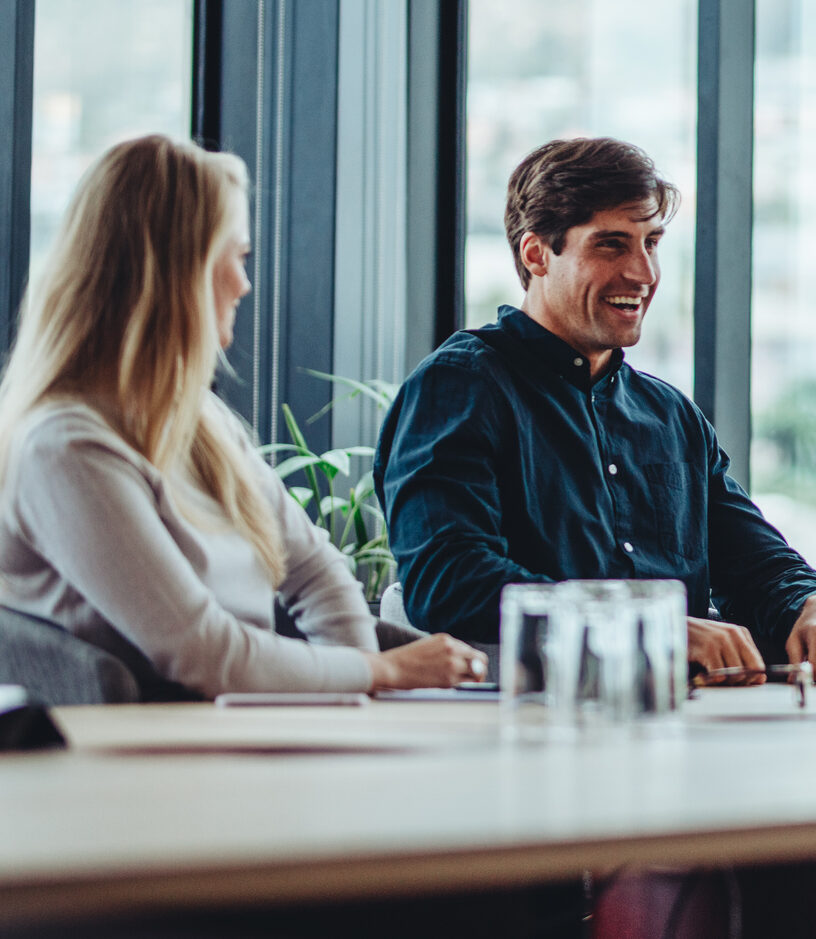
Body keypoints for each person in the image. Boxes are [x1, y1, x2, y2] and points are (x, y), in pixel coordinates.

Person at [0, 136, 483, 698]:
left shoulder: (198, 419)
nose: (244, 283)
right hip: (151, 741)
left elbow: (314, 570)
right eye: (237, 257)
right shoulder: (66, 449)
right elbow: (204, 654)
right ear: (178, 272)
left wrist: (356, 693)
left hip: (237, 723)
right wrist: (381, 672)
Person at [377, 138, 816, 680]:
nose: (643, 273)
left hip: (684, 715)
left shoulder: (670, 415)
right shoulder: (459, 387)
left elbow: (754, 562)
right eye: (611, 245)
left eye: (652, 243)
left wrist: (815, 601)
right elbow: (449, 582)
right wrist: (644, 626)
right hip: (523, 715)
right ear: (536, 254)